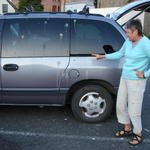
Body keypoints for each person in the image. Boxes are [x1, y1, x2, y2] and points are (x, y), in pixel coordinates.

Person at [92, 19, 150, 146]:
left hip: (137, 81)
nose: (126, 35)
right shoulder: (129, 42)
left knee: (134, 109)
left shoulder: (146, 43)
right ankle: (127, 128)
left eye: (128, 32)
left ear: (136, 31)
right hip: (125, 77)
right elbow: (120, 53)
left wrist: (145, 74)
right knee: (120, 105)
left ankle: (138, 133)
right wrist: (103, 56)